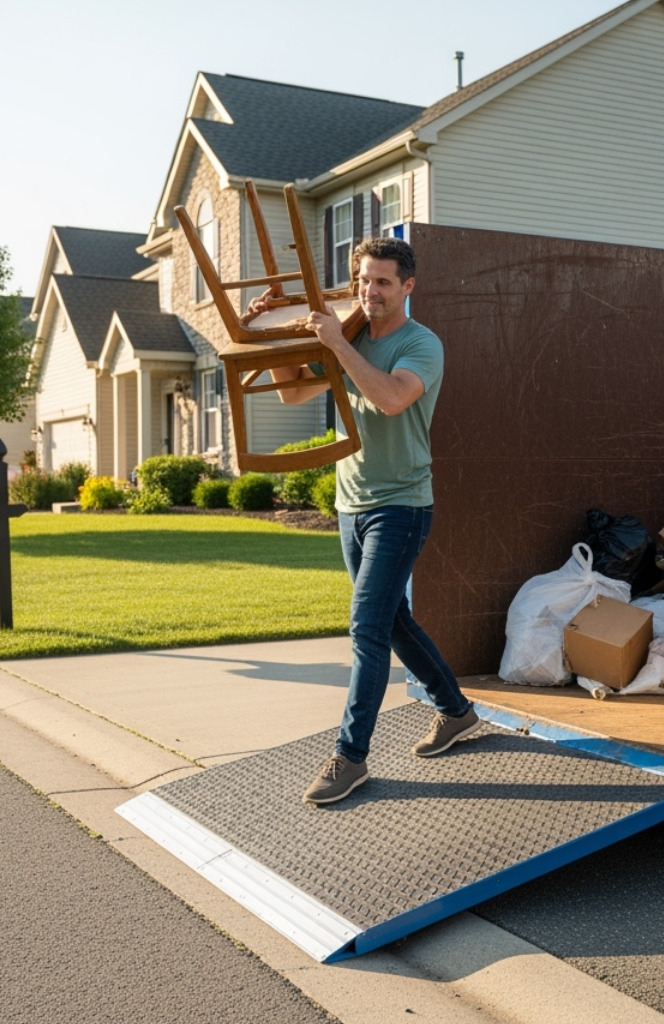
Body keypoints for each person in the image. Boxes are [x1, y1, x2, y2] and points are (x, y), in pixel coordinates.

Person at [244, 236, 480, 805]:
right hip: (351, 502)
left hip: (401, 503)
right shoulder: (345, 336)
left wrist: (334, 345)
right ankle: (456, 711)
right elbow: (296, 395)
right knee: (393, 620)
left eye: (382, 282)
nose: (369, 292)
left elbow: (392, 398)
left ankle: (350, 758)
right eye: (363, 281)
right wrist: (272, 335)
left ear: (406, 287)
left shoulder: (420, 344)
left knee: (367, 628)